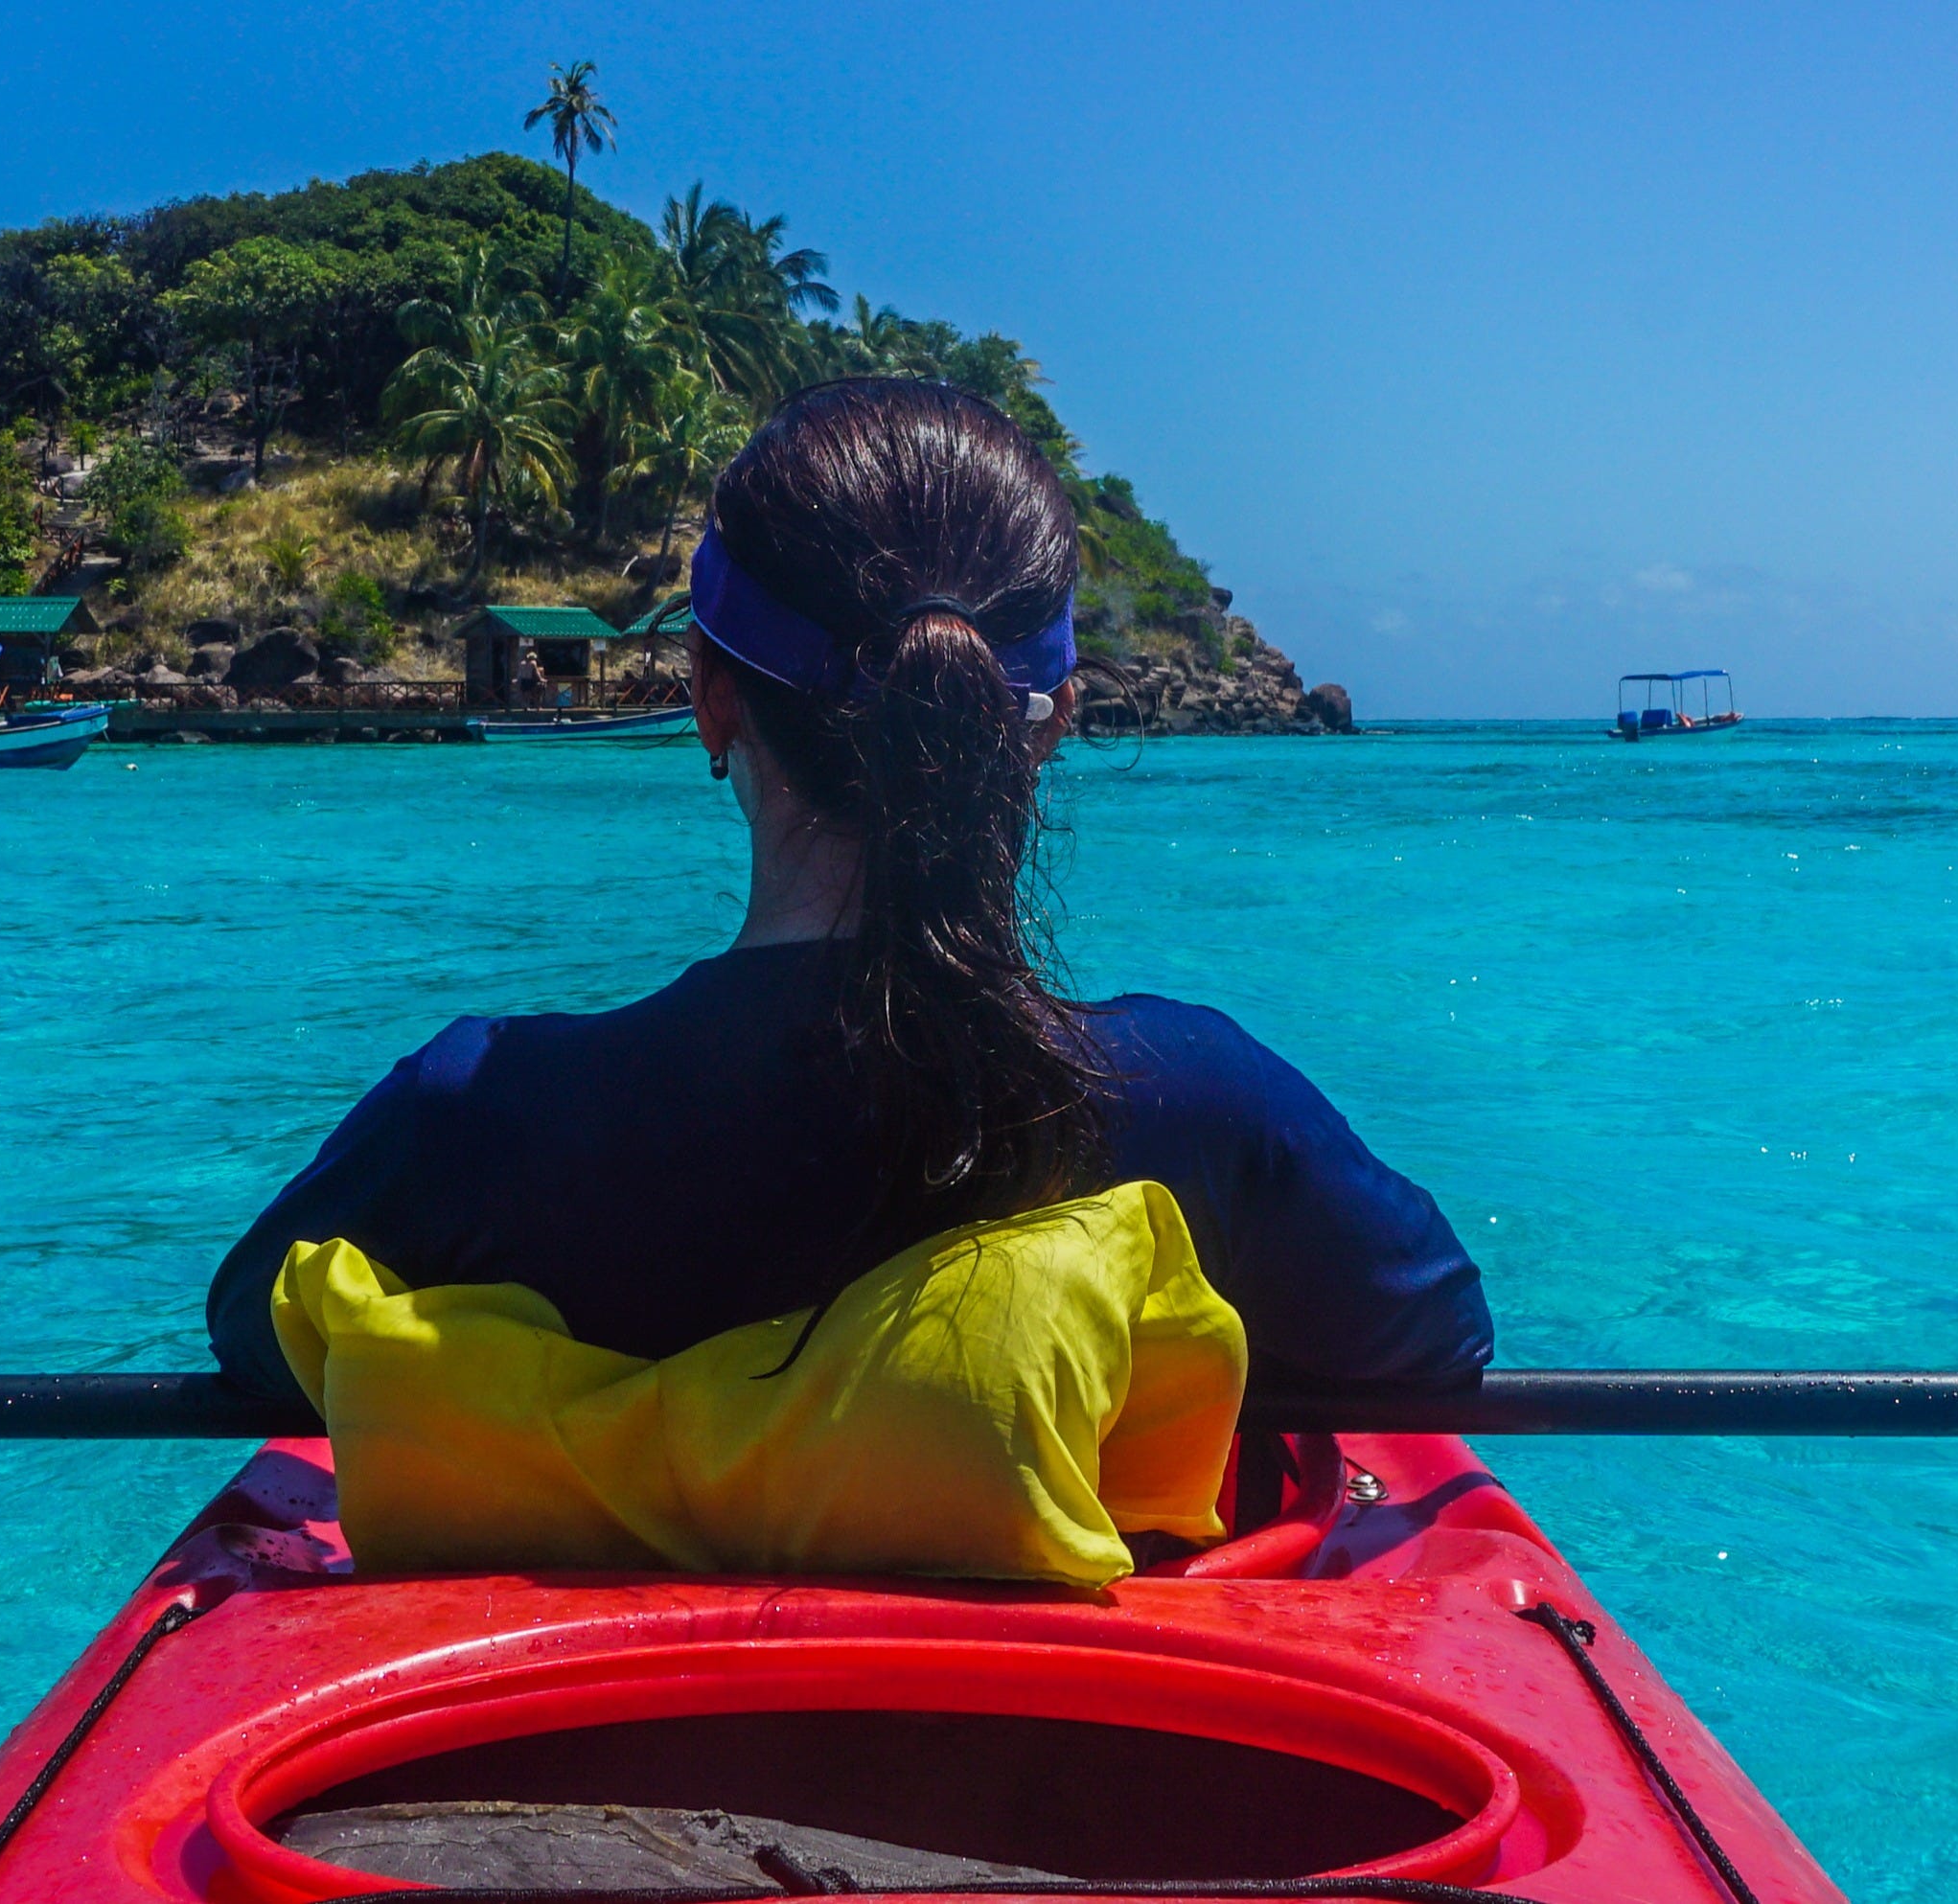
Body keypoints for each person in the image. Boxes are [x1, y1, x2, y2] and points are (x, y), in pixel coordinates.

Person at [204, 379, 1488, 1426]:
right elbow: (1432, 1337)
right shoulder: (1200, 1105)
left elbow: (258, 1335)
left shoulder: (470, 1122)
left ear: (708, 694)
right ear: (1045, 725)